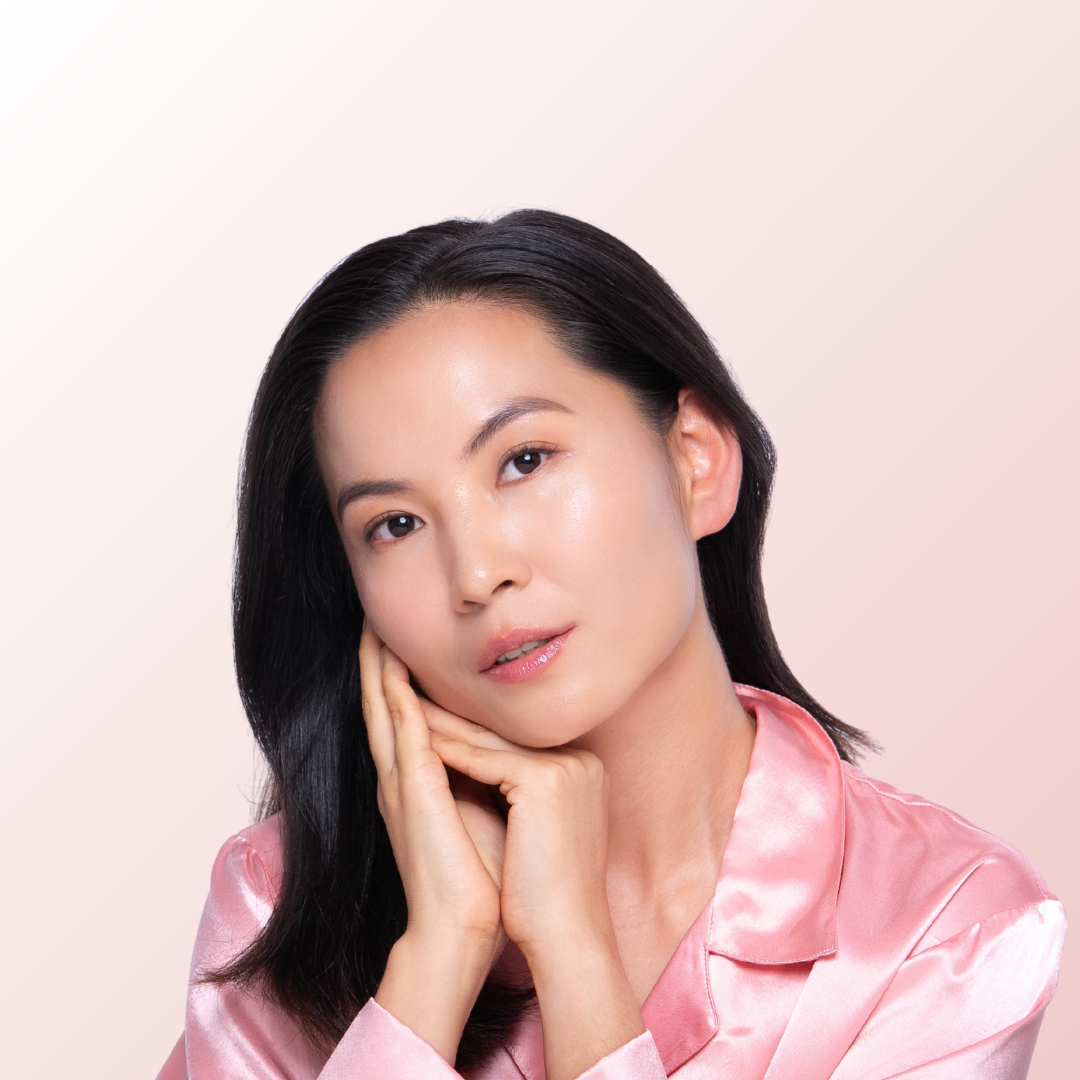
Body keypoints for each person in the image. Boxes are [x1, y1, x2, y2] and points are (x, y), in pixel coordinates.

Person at [157, 211, 1065, 1080]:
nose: (477, 573)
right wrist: (440, 955)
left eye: (524, 461)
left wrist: (574, 952)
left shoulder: (945, 927)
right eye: (395, 524)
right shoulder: (279, 900)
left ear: (696, 459)